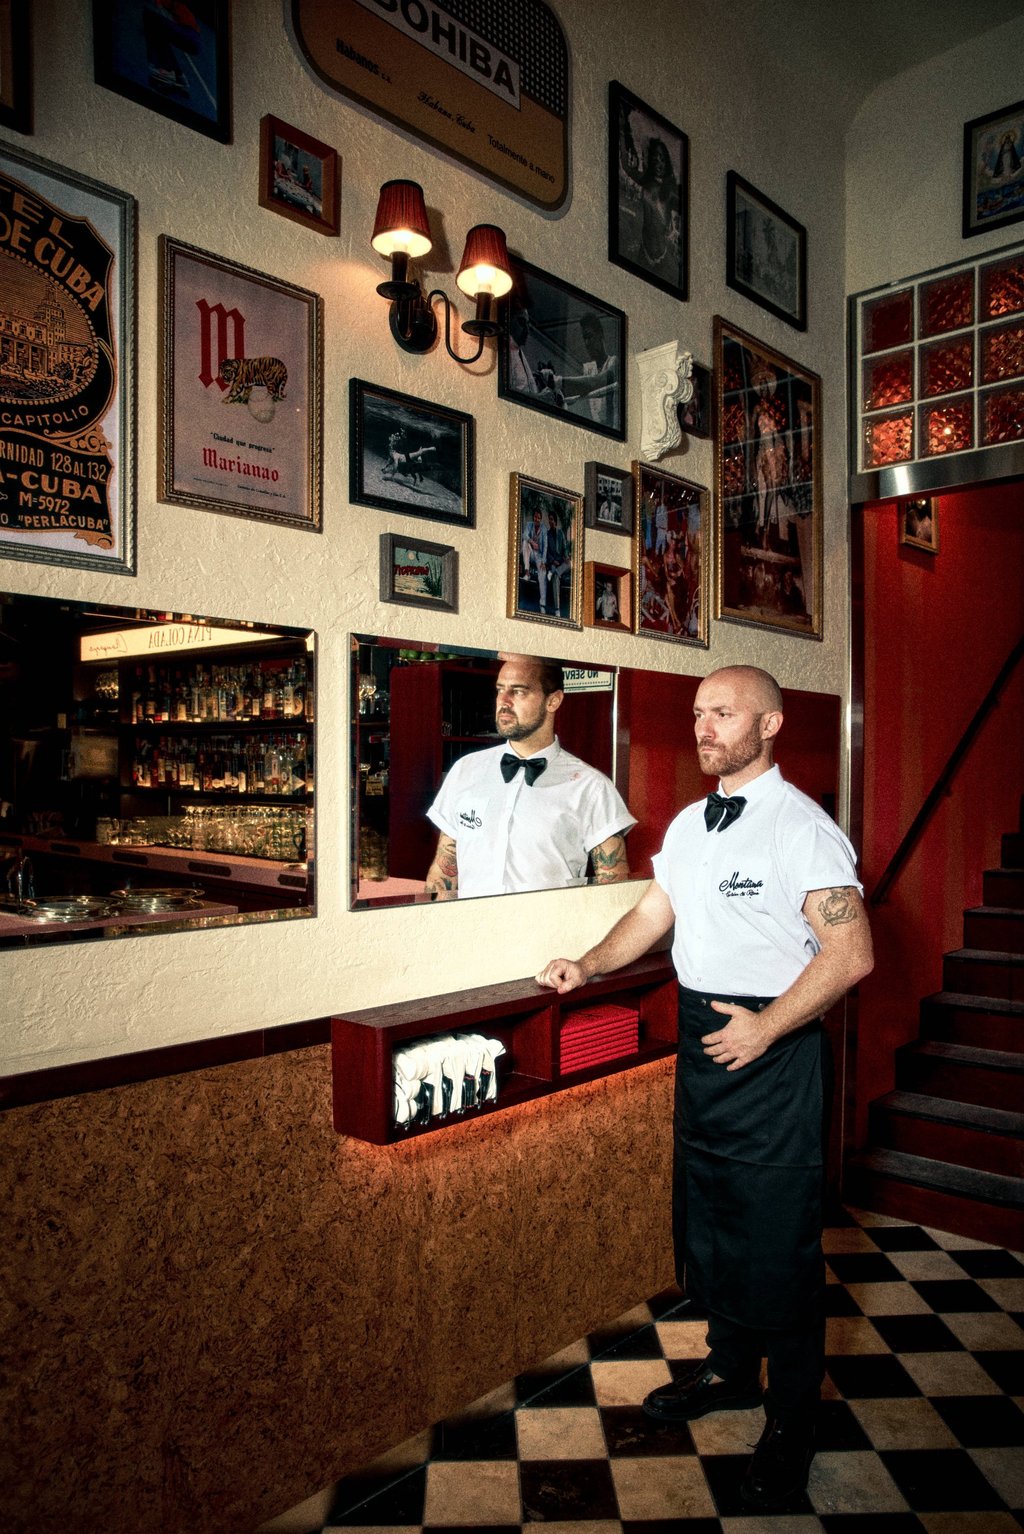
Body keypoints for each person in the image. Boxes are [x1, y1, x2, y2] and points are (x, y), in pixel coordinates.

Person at [536, 665, 873, 1511]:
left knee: (779, 1244)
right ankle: (729, 1372)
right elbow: (655, 916)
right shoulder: (691, 824)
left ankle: (793, 1422)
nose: (704, 727)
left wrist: (766, 1027)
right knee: (714, 1222)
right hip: (701, 1042)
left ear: (770, 724)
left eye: (723, 713)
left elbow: (852, 955)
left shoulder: (803, 829)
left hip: (774, 1049)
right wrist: (588, 961)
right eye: (698, 713)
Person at [424, 655, 635, 899]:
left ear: (553, 701)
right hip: (471, 930)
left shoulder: (592, 787)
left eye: (519, 692)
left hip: (550, 933)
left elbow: (614, 889)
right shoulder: (464, 771)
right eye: (500, 690)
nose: (503, 701)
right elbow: (444, 874)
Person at [541, 509, 570, 617]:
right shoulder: (547, 535)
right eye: (549, 520)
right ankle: (557, 609)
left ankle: (554, 572)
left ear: (555, 521)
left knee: (569, 564)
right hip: (553, 561)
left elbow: (565, 547)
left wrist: (566, 557)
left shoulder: (560, 533)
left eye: (552, 519)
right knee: (556, 578)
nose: (550, 521)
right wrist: (553, 561)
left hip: (562, 562)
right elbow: (546, 551)